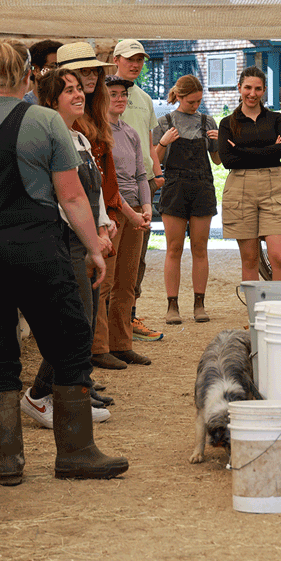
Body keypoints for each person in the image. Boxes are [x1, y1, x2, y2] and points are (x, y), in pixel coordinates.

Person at [0, 41, 127, 485]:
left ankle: (9, 460)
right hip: (32, 249)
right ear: (29, 75)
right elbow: (71, 196)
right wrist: (93, 246)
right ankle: (76, 452)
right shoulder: (45, 121)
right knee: (69, 339)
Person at [22, 66, 125, 420]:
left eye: (80, 89)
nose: (79, 94)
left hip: (86, 239)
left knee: (84, 321)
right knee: (73, 323)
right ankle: (40, 393)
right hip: (65, 241)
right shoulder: (50, 140)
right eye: (69, 91)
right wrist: (90, 235)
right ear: (51, 101)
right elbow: (63, 199)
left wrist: (104, 224)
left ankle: (73, 394)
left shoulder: (79, 139)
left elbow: (89, 195)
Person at [91, 74, 153, 369]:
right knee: (106, 281)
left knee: (128, 281)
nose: (119, 98)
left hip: (136, 210)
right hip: (113, 212)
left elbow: (142, 174)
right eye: (113, 93)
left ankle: (122, 343)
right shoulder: (97, 133)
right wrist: (130, 212)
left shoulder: (130, 132)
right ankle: (99, 346)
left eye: (123, 94)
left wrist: (148, 206)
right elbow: (106, 184)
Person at [152, 73, 221, 324]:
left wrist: (219, 142)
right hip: (175, 187)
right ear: (179, 97)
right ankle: (172, 306)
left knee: (200, 248)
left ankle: (199, 304)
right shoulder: (165, 122)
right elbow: (155, 162)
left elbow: (217, 160)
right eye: (191, 102)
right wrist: (163, 142)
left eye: (198, 101)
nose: (196, 106)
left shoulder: (207, 121)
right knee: (174, 248)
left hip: (202, 185)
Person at [218, 66, 281, 284]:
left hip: (274, 186)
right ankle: (255, 315)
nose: (252, 93)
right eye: (248, 88)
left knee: (278, 257)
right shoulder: (227, 124)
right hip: (240, 188)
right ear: (239, 87)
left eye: (258, 89)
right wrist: (269, 149)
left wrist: (240, 149)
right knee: (250, 259)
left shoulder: (277, 119)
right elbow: (228, 161)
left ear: (265, 90)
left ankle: (280, 313)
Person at [112, 38, 164, 342]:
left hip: (142, 183)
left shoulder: (143, 98)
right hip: (114, 185)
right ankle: (108, 324)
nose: (136, 64)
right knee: (111, 259)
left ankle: (128, 316)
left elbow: (147, 141)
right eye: (130, 59)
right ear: (116, 59)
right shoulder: (104, 97)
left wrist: (158, 175)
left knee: (137, 259)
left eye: (140, 60)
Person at [22, 39, 62, 104]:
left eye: (62, 67)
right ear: (36, 70)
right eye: (54, 67)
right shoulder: (23, 107)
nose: (60, 72)